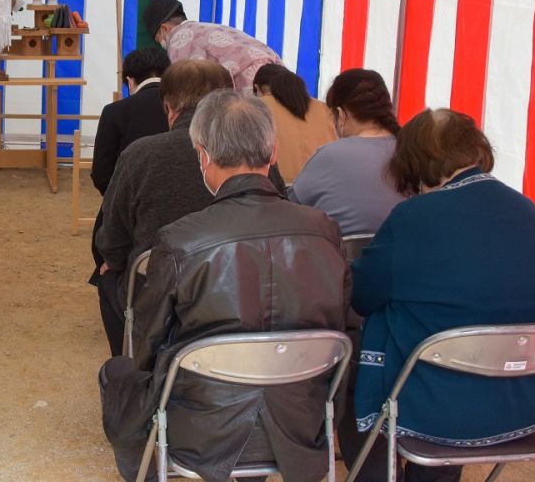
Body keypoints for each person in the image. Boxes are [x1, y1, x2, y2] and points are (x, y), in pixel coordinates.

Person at [100, 90, 350, 482]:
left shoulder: (181, 240)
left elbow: (146, 347)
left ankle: (145, 471)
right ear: (273, 152)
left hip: (200, 431)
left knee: (117, 372)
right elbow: (340, 321)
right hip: (302, 424)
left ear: (203, 155)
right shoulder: (325, 231)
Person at [342, 109, 535, 482]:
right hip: (528, 401)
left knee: (377, 356)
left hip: (440, 407)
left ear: (412, 164)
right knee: (445, 338)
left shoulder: (414, 217)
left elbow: (362, 297)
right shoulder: (528, 209)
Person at [94, 60, 233, 356]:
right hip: (235, 287)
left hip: (158, 294)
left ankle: (131, 366)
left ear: (169, 108)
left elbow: (113, 243)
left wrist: (113, 261)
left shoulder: (142, 154)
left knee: (107, 274)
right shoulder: (254, 155)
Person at [88, 47, 171, 282]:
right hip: (183, 218)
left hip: (129, 211)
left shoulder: (116, 112)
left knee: (107, 251)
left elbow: (102, 173)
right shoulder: (185, 111)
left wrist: (119, 198)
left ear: (130, 80)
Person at [290, 69, 404, 236]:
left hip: (338, 259)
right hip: (400, 258)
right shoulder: (410, 151)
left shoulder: (329, 156)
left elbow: (292, 208)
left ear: (341, 115)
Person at [144, 0, 281, 92]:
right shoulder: (208, 27)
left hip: (250, 83)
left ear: (164, 28)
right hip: (279, 74)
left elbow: (187, 88)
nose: (161, 43)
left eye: (158, 39)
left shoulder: (179, 39)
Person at [252, 63, 335, 181]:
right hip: (322, 184)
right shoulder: (322, 108)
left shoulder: (256, 106)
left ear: (257, 88)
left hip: (276, 187)